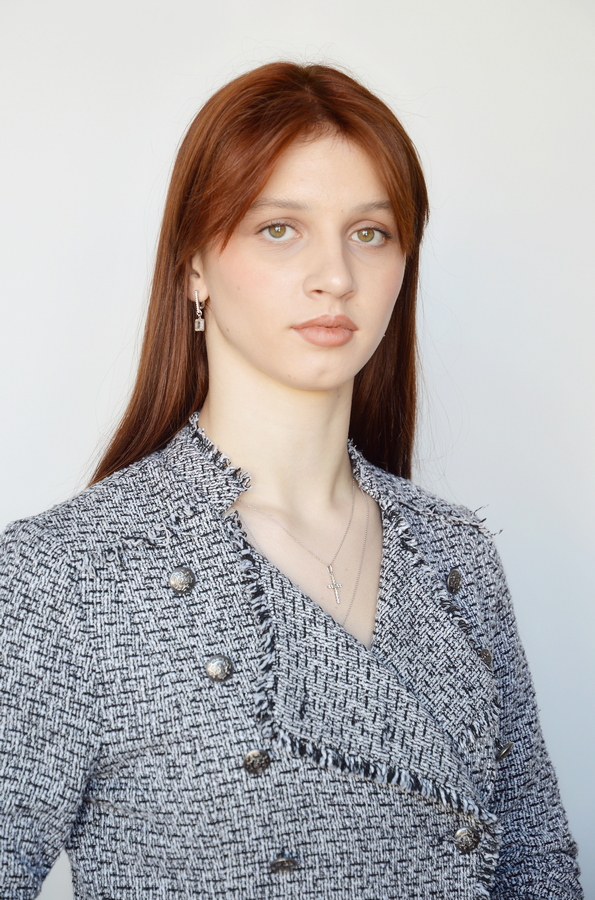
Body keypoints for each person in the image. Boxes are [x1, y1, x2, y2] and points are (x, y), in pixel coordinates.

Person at [0, 62, 583, 899]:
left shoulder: (455, 555)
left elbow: (536, 868)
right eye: (280, 228)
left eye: (370, 233)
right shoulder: (68, 573)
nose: (335, 276)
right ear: (194, 265)